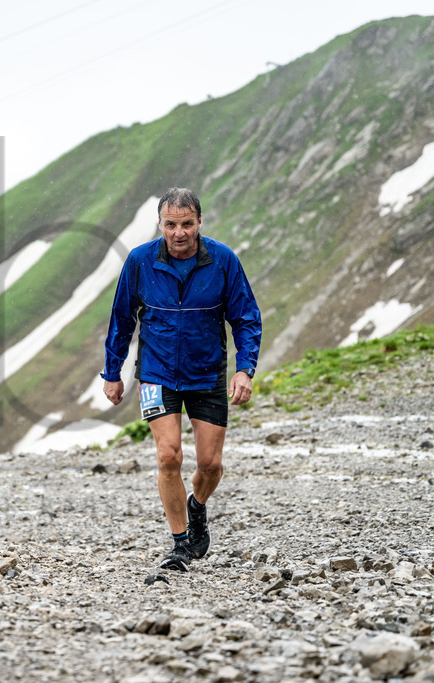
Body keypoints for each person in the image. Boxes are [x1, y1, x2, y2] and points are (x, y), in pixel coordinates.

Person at [101, 187, 262, 572]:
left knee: (210, 464)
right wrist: (112, 372)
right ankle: (179, 543)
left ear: (200, 223)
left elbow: (246, 318)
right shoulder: (140, 262)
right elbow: (122, 319)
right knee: (168, 454)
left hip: (206, 373)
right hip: (157, 374)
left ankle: (197, 506)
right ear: (160, 224)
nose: (179, 232)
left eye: (187, 224)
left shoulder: (223, 261)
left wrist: (245, 368)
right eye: (170, 224)